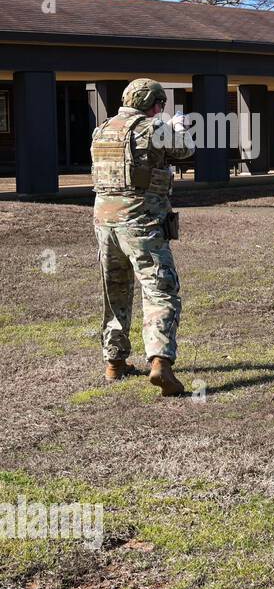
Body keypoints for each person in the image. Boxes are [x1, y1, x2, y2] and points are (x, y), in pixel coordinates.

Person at [91, 78, 194, 396]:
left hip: (105, 224)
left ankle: (114, 362)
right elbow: (185, 151)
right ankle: (161, 363)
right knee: (160, 291)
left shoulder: (102, 130)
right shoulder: (154, 129)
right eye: (160, 105)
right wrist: (176, 127)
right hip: (142, 224)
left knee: (115, 292)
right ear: (154, 103)